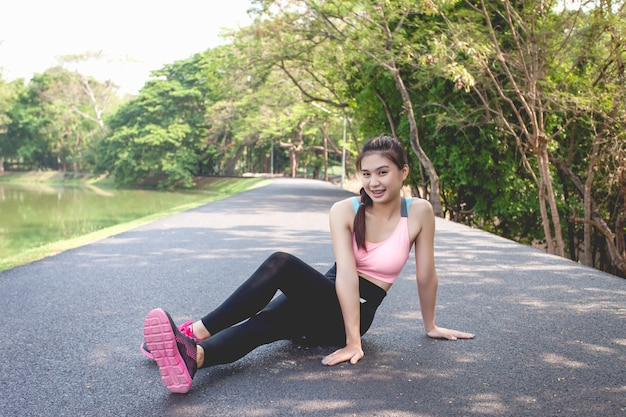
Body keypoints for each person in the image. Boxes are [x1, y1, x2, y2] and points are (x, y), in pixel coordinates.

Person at [142, 135, 474, 394]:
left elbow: (426, 274)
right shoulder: (345, 210)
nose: (374, 182)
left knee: (280, 264)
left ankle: (192, 332)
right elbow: (343, 273)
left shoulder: (418, 212)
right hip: (328, 293)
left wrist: (421, 327)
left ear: (403, 172)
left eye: (383, 172)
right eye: (367, 173)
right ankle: (193, 358)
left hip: (353, 311)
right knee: (264, 324)